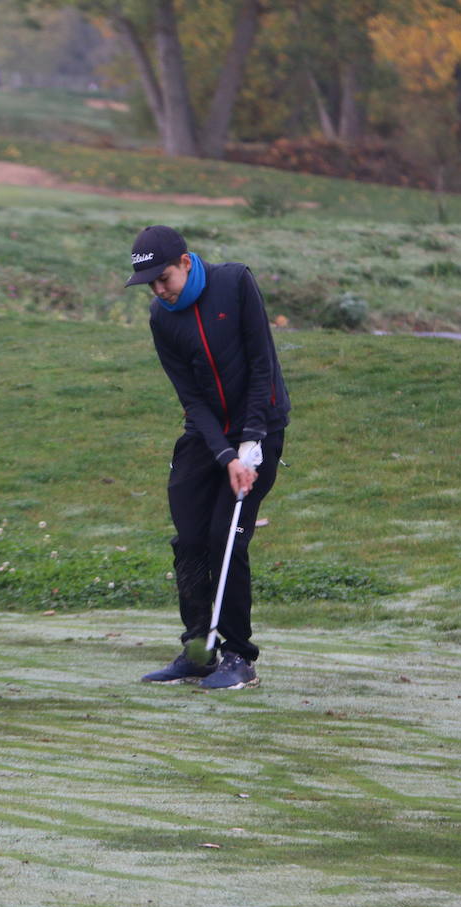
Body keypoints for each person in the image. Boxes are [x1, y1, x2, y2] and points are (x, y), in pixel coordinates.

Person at [125, 226, 290, 689]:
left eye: (163, 278)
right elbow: (191, 397)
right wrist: (223, 453)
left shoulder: (234, 282)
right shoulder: (163, 318)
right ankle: (199, 650)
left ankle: (239, 656)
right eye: (150, 284)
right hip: (206, 435)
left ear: (185, 262)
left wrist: (251, 440)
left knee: (226, 538)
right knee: (192, 538)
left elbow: (263, 364)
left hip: (261, 426)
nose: (158, 290)